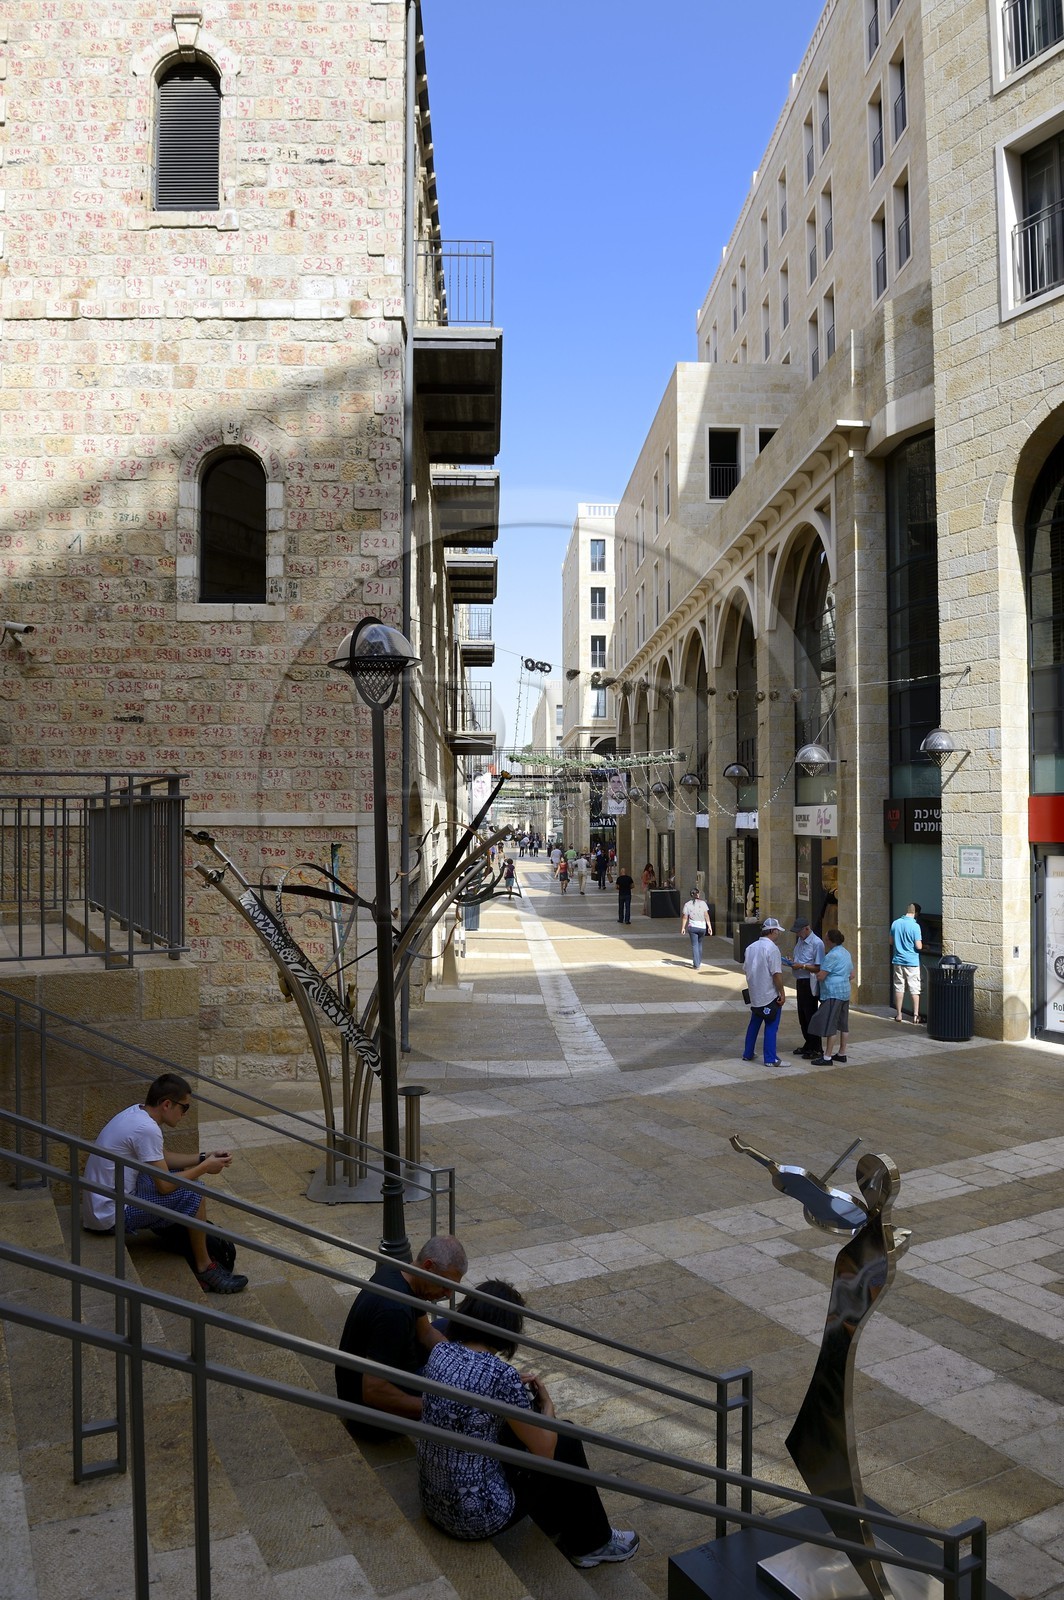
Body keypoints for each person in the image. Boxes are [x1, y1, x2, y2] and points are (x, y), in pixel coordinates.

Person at [417, 1280, 640, 1569]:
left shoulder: (441, 1352)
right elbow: (545, 1450)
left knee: (519, 1433)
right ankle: (592, 1543)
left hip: (434, 1500)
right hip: (474, 1517)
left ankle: (561, 1522)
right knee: (564, 1439)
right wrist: (547, 1406)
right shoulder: (501, 1376)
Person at [82, 1073, 247, 1294]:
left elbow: (163, 1157)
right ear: (167, 1104)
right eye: (184, 1108)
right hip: (111, 1215)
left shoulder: (138, 1113)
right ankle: (205, 1268)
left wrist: (203, 1157)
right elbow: (165, 1186)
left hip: (100, 1204)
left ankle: (181, 1231)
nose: (185, 1114)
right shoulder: (147, 1129)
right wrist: (205, 1168)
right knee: (195, 1192)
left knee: (180, 1176)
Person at [335, 1235, 468, 1441]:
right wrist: (436, 1408)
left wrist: (468, 1365)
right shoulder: (394, 1310)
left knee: (457, 1329)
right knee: (458, 1394)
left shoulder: (398, 1272)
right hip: (368, 1418)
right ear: (428, 1266)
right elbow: (373, 1391)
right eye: (445, 1285)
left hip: (379, 1376)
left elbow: (426, 1333)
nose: (448, 1295)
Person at [742, 917, 787, 1066]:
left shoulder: (750, 947)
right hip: (769, 994)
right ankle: (770, 1058)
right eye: (777, 931)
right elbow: (776, 974)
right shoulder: (772, 949)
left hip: (755, 993)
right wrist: (782, 992)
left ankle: (747, 1053)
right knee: (771, 1025)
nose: (778, 934)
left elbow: (746, 969)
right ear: (773, 931)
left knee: (754, 1023)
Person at [809, 927, 855, 1065]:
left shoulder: (831, 956)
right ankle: (842, 1053)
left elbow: (822, 976)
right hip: (845, 992)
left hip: (832, 993)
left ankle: (827, 1056)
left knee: (831, 1025)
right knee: (843, 1025)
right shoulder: (846, 953)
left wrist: (813, 975)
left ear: (829, 940)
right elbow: (852, 975)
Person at [789, 918, 826, 1057]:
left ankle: (816, 1047)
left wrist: (802, 966)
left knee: (810, 1014)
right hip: (800, 981)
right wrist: (793, 962)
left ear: (807, 928)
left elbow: (818, 967)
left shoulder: (817, 943)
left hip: (809, 982)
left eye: (799, 931)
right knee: (802, 1015)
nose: (798, 934)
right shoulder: (800, 941)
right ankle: (809, 1043)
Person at [890, 902, 923, 1025]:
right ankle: (915, 1016)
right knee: (914, 988)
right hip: (912, 962)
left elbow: (891, 941)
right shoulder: (915, 926)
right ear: (916, 913)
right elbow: (918, 946)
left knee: (899, 987)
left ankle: (899, 1014)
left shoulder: (896, 923)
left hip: (898, 960)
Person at [680, 888, 712, 969]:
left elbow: (685, 917)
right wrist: (709, 926)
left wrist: (683, 927)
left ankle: (696, 964)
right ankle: (698, 961)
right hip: (702, 927)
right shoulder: (703, 903)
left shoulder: (687, 904)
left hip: (693, 926)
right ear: (698, 894)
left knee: (695, 945)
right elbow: (706, 915)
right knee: (700, 944)